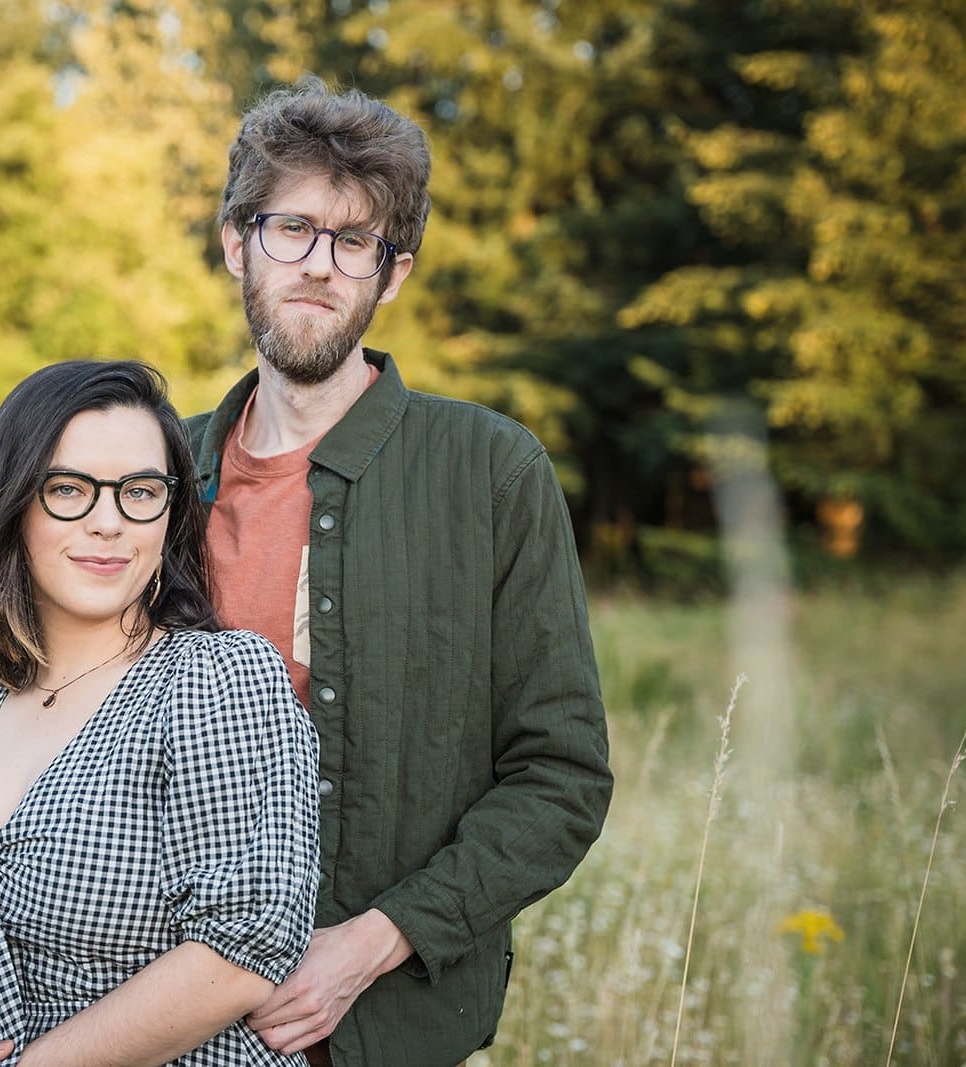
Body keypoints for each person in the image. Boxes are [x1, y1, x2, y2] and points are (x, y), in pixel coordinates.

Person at [188, 78, 614, 1066]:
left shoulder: (491, 470)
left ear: (394, 272)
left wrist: (371, 943)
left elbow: (560, 775)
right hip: (154, 1011)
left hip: (379, 1033)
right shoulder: (153, 478)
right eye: (289, 227)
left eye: (353, 240)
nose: (317, 266)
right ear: (233, 243)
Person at [0, 360, 321, 1066]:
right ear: (11, 506)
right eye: (68, 489)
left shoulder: (215, 680)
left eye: (140, 492)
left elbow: (243, 945)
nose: (108, 522)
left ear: (170, 513)